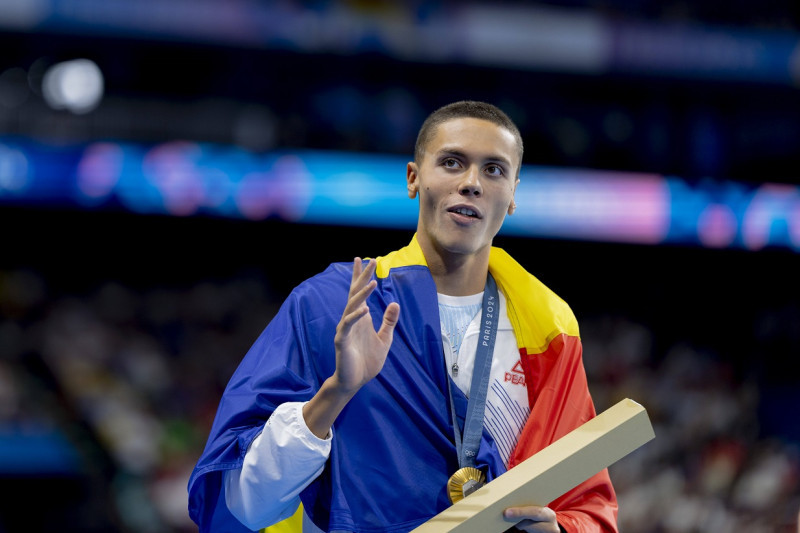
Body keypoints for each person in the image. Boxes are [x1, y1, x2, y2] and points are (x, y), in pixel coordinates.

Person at [187, 100, 618, 533]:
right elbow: (241, 505)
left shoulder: (549, 326)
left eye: (494, 170)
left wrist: (557, 530)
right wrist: (336, 392)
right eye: (452, 162)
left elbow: (586, 504)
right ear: (414, 178)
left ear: (512, 196)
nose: (471, 183)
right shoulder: (332, 306)